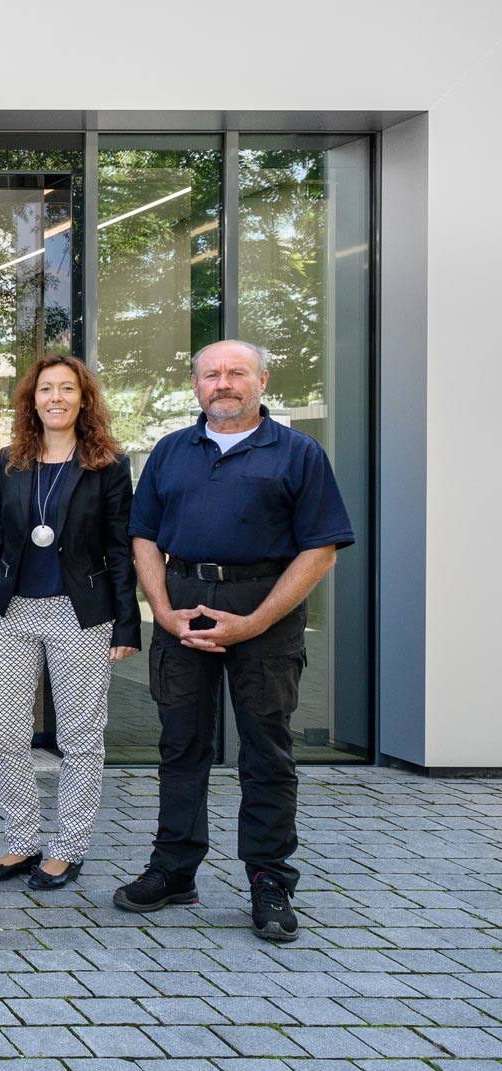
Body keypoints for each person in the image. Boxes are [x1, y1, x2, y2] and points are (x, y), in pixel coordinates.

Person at [113, 340, 353, 943]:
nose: (223, 383)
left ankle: (270, 879)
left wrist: (256, 622)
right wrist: (162, 613)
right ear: (196, 385)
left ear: (262, 380)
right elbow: (142, 537)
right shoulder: (170, 452)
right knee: (180, 747)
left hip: (263, 612)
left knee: (266, 751)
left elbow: (319, 550)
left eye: (236, 372)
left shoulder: (298, 453)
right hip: (183, 610)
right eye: (211, 374)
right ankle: (173, 870)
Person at [0, 355, 139, 890]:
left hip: (79, 613)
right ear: (32, 399)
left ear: (84, 399)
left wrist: (127, 623)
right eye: (46, 389)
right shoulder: (12, 461)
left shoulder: (108, 465)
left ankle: (69, 846)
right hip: (12, 611)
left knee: (81, 736)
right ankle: (22, 841)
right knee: (7, 731)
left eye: (67, 389)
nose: (56, 398)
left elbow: (121, 549)